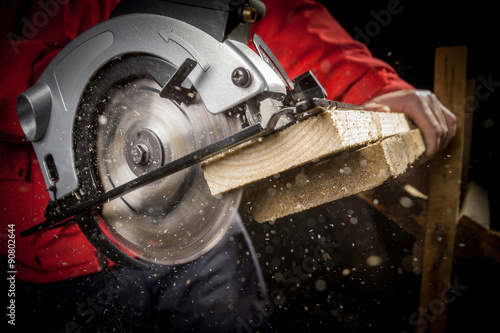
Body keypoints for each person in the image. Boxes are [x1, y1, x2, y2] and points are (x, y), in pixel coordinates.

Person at [0, 0, 456, 332]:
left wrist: (369, 84)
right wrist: (63, 79)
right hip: (48, 249)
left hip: (194, 206)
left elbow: (272, 13)